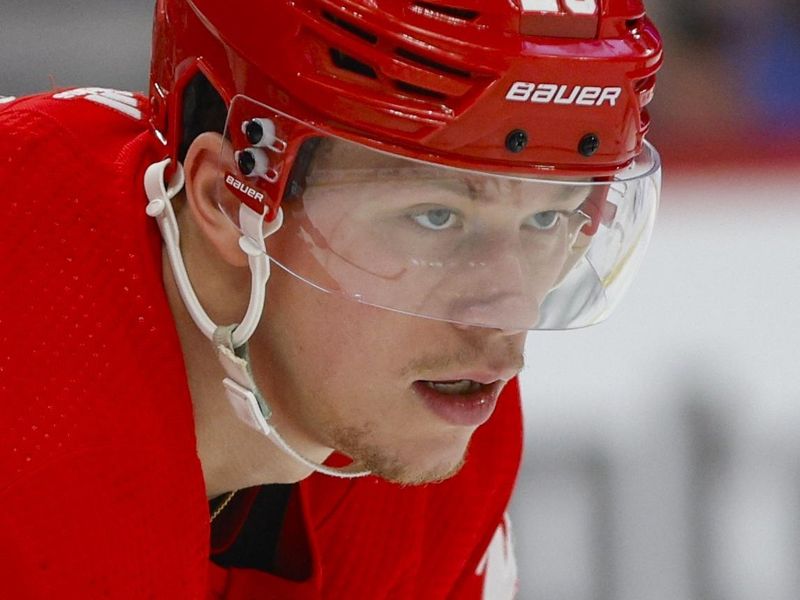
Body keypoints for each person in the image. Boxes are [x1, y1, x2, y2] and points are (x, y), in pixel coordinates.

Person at [0, 0, 663, 597]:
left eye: (547, 219)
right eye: (435, 217)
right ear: (230, 201)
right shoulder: (35, 424)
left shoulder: (435, 433)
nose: (506, 313)